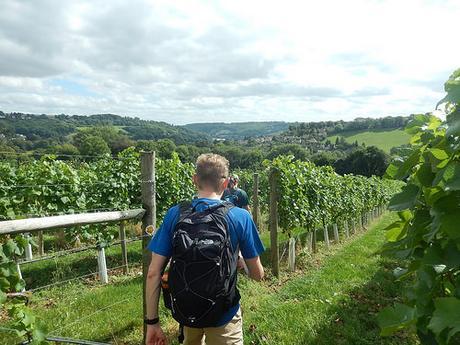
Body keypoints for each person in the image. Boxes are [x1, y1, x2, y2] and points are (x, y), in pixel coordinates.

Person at [145, 153, 265, 345]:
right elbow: (258, 275)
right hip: (224, 315)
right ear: (225, 184)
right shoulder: (240, 216)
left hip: (187, 311)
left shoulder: (175, 214)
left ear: (195, 180)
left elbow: (153, 273)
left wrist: (152, 323)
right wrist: (241, 262)